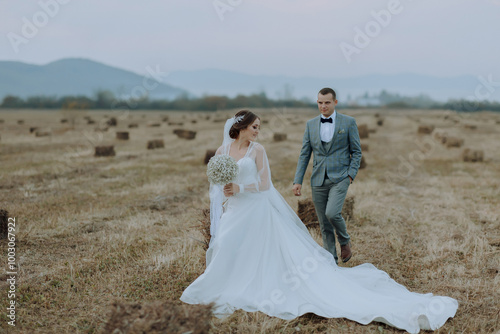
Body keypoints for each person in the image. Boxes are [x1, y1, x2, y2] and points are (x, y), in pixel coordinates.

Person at [180, 110, 458, 333]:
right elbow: (216, 184)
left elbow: (265, 185)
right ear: (240, 127)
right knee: (228, 243)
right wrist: (226, 190)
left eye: (259, 127)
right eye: (254, 126)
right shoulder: (221, 152)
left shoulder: (258, 151)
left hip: (255, 207)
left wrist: (240, 189)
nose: (257, 131)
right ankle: (223, 283)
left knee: (262, 251)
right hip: (235, 210)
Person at [292, 87, 361, 264]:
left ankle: (344, 240)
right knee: (324, 223)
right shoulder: (310, 124)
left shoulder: (348, 122)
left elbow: (356, 152)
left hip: (341, 177)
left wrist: (350, 175)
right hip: (318, 179)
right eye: (320, 103)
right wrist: (297, 180)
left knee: (332, 213)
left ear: (335, 102)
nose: (323, 106)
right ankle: (332, 262)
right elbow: (304, 154)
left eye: (327, 102)